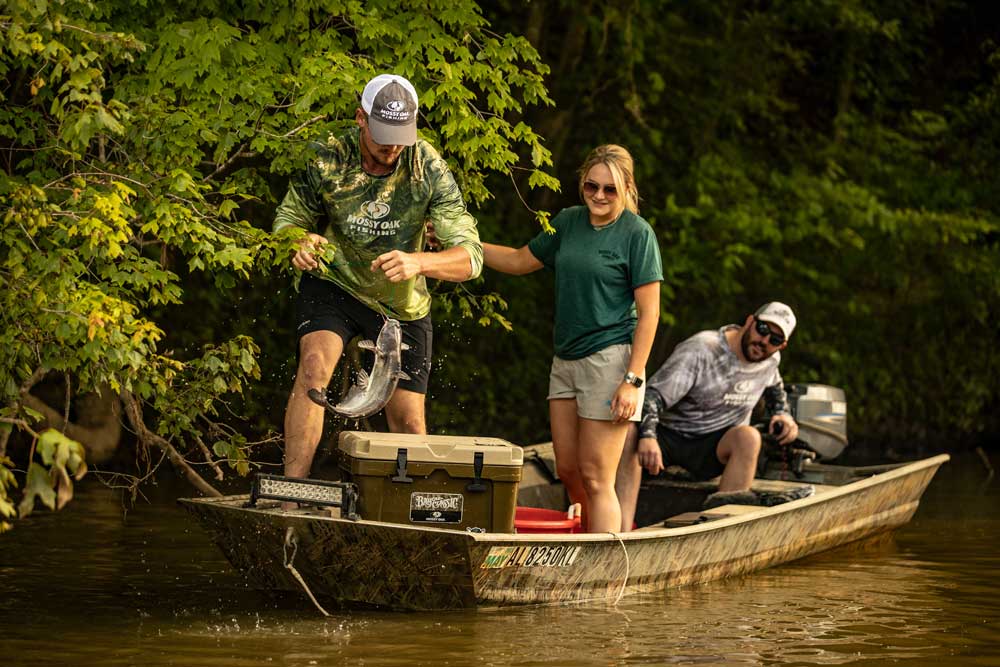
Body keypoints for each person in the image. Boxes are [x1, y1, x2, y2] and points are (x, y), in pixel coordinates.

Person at [273, 73, 483, 479]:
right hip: (334, 282)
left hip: (401, 301)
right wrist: (297, 241)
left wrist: (418, 262)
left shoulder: (428, 167)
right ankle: (290, 493)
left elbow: (470, 256)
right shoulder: (327, 157)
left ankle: (411, 510)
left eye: (400, 135)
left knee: (407, 420)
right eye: (382, 133)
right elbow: (287, 220)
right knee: (315, 365)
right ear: (360, 120)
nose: (391, 146)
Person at [483, 144, 662, 533]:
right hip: (565, 359)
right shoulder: (567, 222)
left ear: (626, 188)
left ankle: (606, 567)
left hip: (612, 360)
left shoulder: (637, 235)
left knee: (598, 477)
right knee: (567, 468)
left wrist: (632, 381)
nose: (599, 196)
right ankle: (587, 539)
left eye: (609, 189)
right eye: (591, 186)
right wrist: (463, 248)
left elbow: (650, 314)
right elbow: (518, 260)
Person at [615, 302, 801, 530]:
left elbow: (775, 389)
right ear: (750, 322)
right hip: (669, 436)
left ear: (781, 346)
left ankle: (724, 528)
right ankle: (621, 532)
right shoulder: (703, 349)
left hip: (712, 445)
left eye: (774, 340)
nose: (764, 341)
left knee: (749, 437)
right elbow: (652, 396)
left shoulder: (769, 360)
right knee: (629, 432)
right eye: (762, 330)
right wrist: (648, 436)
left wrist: (783, 415)